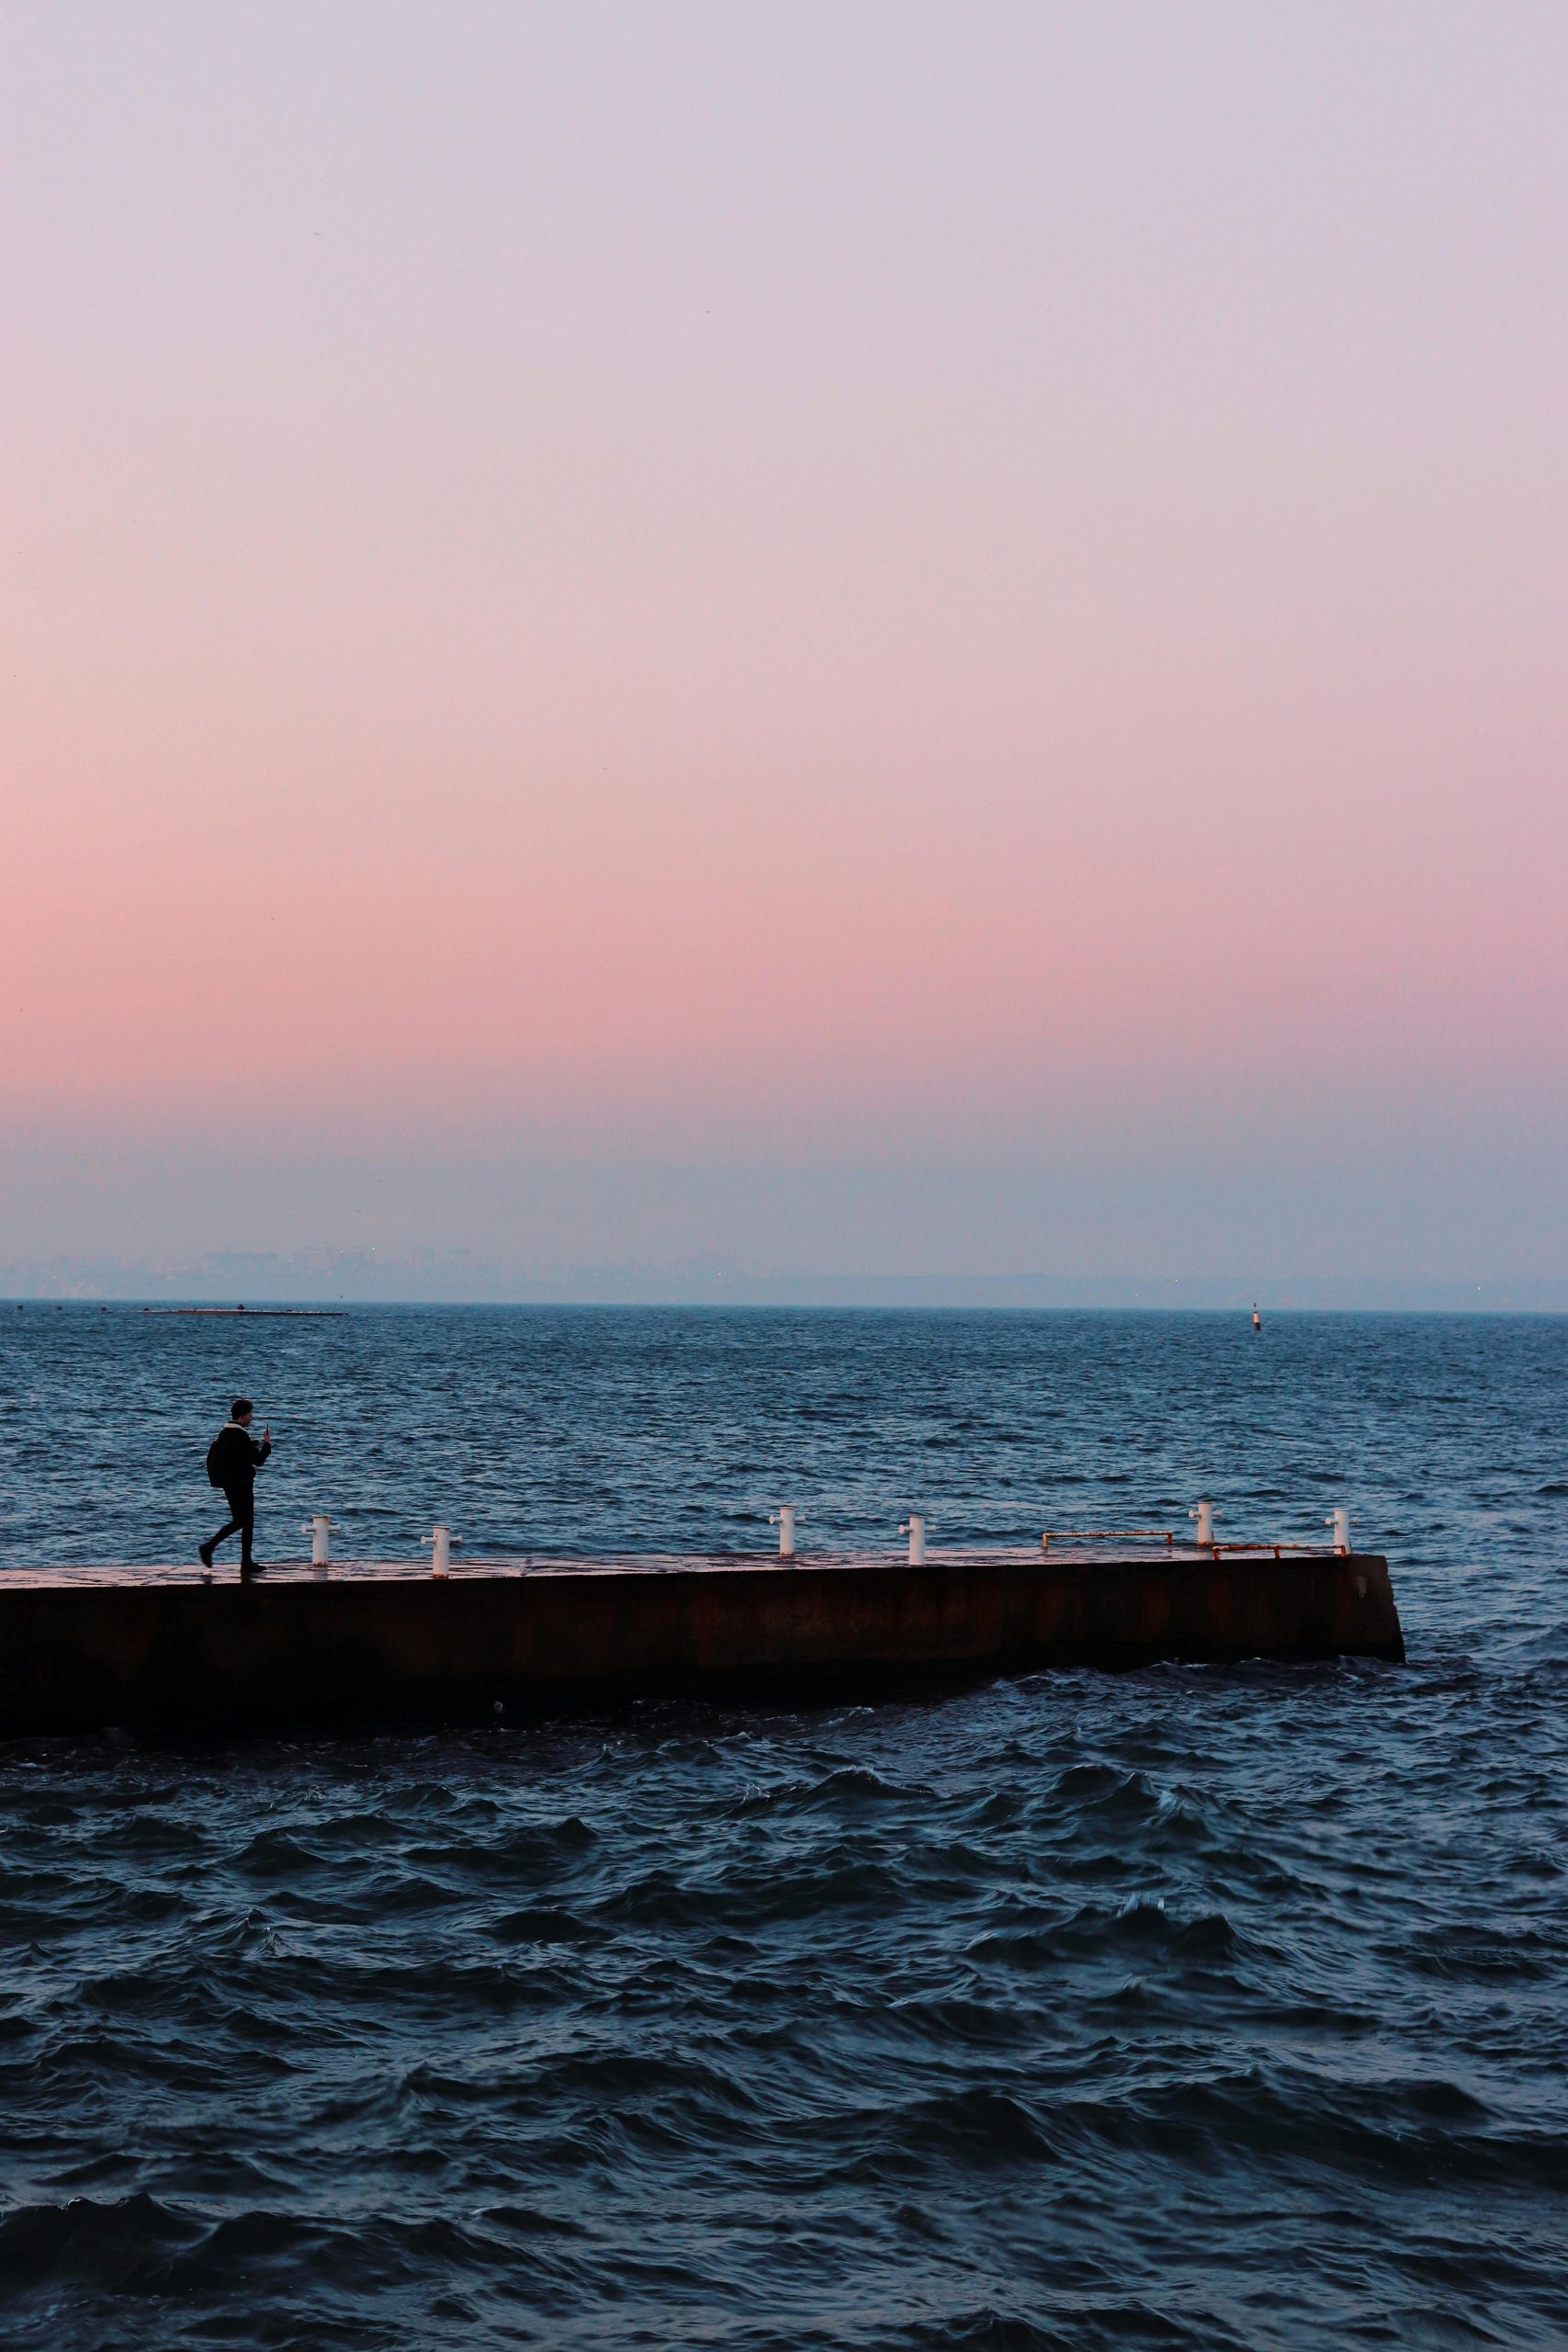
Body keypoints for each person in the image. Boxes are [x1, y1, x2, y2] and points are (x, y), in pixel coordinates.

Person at [200, 1398, 273, 1577]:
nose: (252, 1418)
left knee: (243, 1521)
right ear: (243, 1416)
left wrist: (253, 1444)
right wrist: (267, 1445)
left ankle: (244, 1561)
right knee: (243, 1521)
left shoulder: (225, 1433)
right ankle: (210, 1547)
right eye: (250, 1415)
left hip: (229, 1484)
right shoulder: (240, 1436)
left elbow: (238, 1454)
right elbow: (258, 1461)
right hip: (242, 1484)